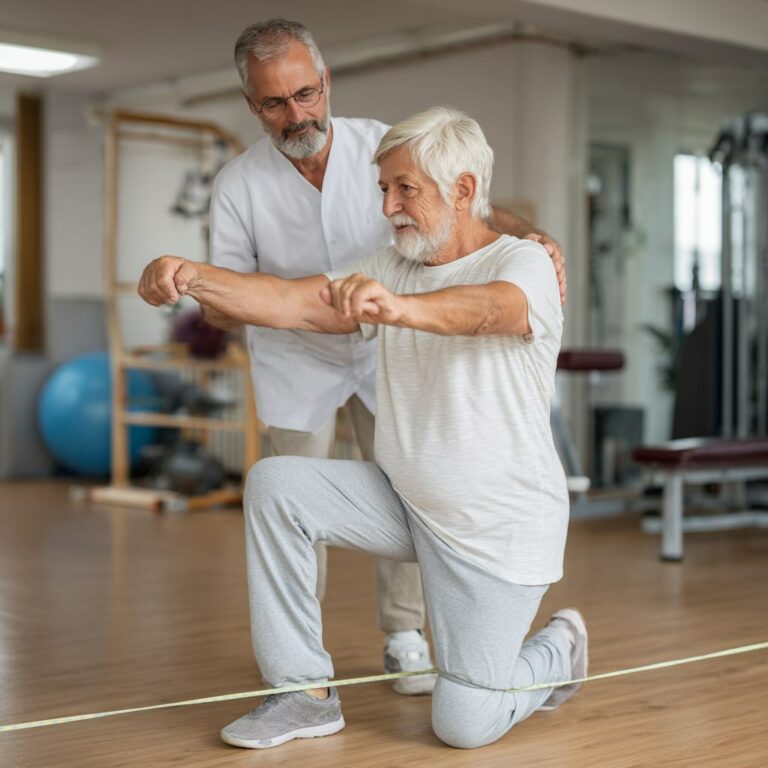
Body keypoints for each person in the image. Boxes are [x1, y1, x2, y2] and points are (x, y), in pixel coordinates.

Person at [139, 105, 586, 751]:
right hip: (410, 508)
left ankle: (558, 648)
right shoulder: (392, 265)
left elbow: (491, 311)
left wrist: (400, 309)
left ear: (462, 190)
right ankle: (304, 693)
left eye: (406, 189)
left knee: (462, 725)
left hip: (495, 535)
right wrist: (190, 275)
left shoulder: (524, 265)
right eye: (384, 189)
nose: (388, 207)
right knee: (277, 484)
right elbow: (291, 301)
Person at [205, 18, 567, 695]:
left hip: (389, 354)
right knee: (290, 498)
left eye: (306, 94)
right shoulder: (238, 186)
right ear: (253, 105)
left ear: (326, 83)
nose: (297, 114)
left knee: (409, 484)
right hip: (297, 355)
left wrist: (535, 238)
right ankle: (302, 666)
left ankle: (405, 637)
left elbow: (476, 211)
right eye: (276, 103)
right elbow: (233, 296)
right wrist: (207, 287)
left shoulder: (382, 148)